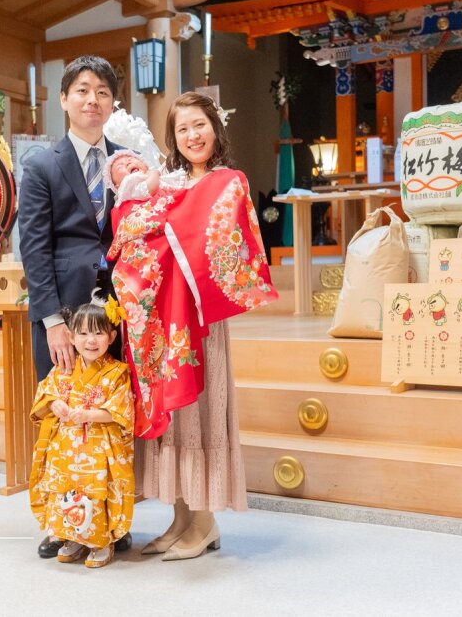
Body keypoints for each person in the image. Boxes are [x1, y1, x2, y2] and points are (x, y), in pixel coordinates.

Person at [121, 92, 275, 561]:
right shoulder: (166, 187)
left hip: (200, 324)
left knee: (202, 412)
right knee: (176, 416)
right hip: (167, 321)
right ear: (174, 138)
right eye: (183, 129)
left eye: (199, 125)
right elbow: (133, 230)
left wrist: (166, 214)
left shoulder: (229, 182)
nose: (193, 135)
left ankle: (205, 522)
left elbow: (212, 238)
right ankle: (181, 518)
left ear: (215, 128)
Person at [18, 55, 132, 557]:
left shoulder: (127, 162)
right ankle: (60, 524)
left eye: (103, 92)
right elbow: (35, 247)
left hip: (117, 313)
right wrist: (51, 322)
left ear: (112, 103)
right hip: (62, 312)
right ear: (63, 99)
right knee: (62, 417)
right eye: (82, 90)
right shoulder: (42, 164)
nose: (93, 100)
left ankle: (112, 521)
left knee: (114, 414)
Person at [27, 297, 134, 569]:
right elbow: (45, 395)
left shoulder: (117, 372)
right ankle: (71, 537)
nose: (91, 340)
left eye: (98, 332)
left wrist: (88, 415)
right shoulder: (63, 369)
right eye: (83, 333)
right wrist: (56, 404)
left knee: (95, 491)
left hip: (99, 450)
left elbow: (120, 411)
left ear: (111, 336)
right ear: (71, 338)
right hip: (65, 448)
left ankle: (100, 542)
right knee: (66, 490)